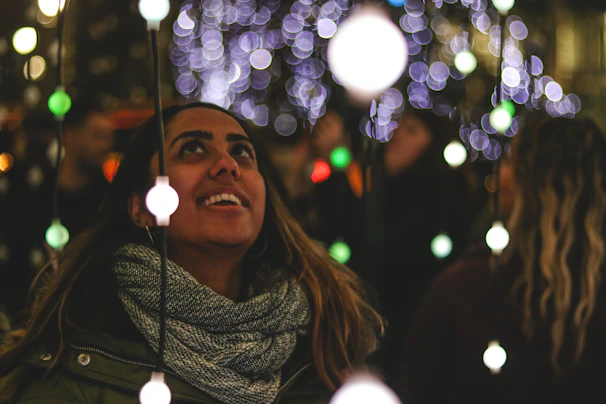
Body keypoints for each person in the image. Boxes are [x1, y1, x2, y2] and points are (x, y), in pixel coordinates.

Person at [0, 103, 383, 403]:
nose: (227, 165)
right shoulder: (75, 367)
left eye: (243, 153)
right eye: (193, 148)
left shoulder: (325, 345)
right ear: (141, 207)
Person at [400, 118, 606, 404]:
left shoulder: (465, 288)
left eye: (509, 161)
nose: (501, 174)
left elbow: (418, 388)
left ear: (528, 185)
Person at [362, 108, 474, 384]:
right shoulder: (385, 188)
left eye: (412, 130)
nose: (397, 134)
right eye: (399, 126)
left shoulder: (435, 202)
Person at [0, 100, 113, 319]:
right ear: (69, 136)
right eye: (97, 136)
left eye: (108, 137)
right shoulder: (29, 191)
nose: (105, 145)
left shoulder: (108, 201)